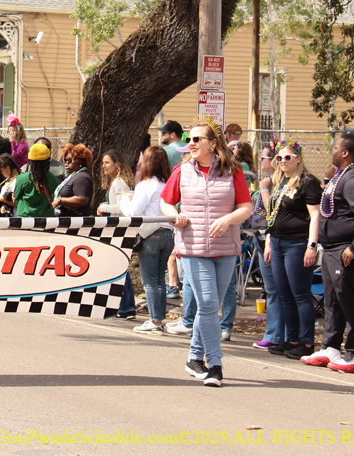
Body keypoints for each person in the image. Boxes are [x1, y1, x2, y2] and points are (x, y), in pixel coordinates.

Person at [160, 116, 252, 387]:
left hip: (226, 248)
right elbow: (166, 202)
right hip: (193, 248)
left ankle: (193, 357)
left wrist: (228, 219)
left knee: (210, 307)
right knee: (209, 304)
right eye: (188, 139)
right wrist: (174, 216)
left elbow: (246, 207)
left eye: (197, 139)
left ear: (213, 143)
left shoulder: (233, 170)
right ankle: (215, 364)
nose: (191, 143)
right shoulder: (181, 171)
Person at [301, 133, 354, 374]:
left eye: (336, 147)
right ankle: (331, 347)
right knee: (332, 298)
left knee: (349, 298)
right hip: (334, 247)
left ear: (346, 153)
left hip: (349, 248)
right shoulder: (344, 174)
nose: (332, 151)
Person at [260, 139, 321, 359]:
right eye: (279, 158)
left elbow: (315, 215)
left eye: (288, 157)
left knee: (300, 295)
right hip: (277, 242)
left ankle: (306, 342)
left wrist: (311, 246)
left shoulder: (307, 181)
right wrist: (269, 240)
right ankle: (291, 339)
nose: (283, 161)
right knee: (284, 294)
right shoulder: (280, 182)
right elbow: (273, 215)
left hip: (297, 243)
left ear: (298, 158)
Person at [121, 146, 173, 333]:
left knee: (150, 280)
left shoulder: (145, 185)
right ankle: (159, 318)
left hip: (151, 234)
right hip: (168, 233)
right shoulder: (167, 183)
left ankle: (155, 321)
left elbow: (133, 212)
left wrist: (124, 199)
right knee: (159, 279)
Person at [251, 145, 286, 350]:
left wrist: (264, 190)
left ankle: (278, 334)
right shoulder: (266, 181)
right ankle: (274, 333)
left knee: (277, 289)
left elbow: (273, 212)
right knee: (271, 289)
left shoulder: (280, 184)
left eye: (263, 157)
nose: (261, 160)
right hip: (261, 237)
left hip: (273, 239)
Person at [96, 150, 137, 319]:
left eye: (107, 162)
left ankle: (126, 306)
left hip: (119, 229)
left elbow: (122, 207)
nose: (103, 166)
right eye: (103, 163)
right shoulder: (116, 182)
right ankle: (125, 306)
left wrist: (103, 207)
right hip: (117, 228)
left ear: (117, 164)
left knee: (119, 268)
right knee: (119, 267)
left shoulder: (119, 182)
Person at [12, 143, 58, 217]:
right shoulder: (52, 178)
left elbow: (16, 199)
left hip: (25, 218)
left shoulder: (21, 179)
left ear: (30, 161)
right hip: (46, 218)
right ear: (48, 160)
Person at [51, 144, 94, 217]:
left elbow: (82, 200)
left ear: (80, 161)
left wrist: (60, 201)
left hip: (76, 221)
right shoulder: (74, 176)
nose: (66, 163)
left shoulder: (82, 177)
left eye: (70, 160)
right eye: (65, 160)